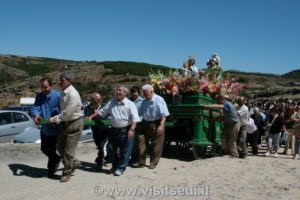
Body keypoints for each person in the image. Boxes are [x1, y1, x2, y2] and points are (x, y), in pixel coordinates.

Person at [87, 85, 140, 176]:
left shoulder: (130, 104)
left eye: (120, 90)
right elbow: (101, 112)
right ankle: (115, 165)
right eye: (117, 90)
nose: (117, 92)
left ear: (125, 93)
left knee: (125, 151)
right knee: (110, 149)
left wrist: (131, 129)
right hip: (113, 129)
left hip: (126, 129)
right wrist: (92, 116)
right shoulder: (112, 102)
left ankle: (120, 168)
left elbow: (135, 119)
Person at [49, 72, 83, 182]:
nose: (59, 81)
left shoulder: (73, 94)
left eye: (62, 80)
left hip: (74, 123)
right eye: (60, 79)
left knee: (68, 151)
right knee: (59, 147)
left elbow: (68, 113)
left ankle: (67, 172)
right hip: (65, 123)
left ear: (69, 81)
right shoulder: (63, 92)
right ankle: (75, 163)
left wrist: (54, 119)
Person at [31, 77, 61, 178]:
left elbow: (62, 111)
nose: (43, 89)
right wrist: (36, 115)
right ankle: (57, 159)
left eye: (45, 87)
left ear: (51, 86)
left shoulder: (57, 96)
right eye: (42, 87)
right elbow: (36, 108)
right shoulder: (39, 96)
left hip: (54, 128)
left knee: (51, 150)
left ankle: (51, 171)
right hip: (44, 128)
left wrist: (55, 120)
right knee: (44, 149)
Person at [138, 84, 170, 169]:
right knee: (141, 141)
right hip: (144, 123)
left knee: (157, 145)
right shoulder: (144, 101)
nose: (144, 96)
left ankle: (153, 163)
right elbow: (139, 112)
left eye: (146, 94)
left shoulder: (159, 100)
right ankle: (141, 162)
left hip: (156, 123)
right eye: (144, 94)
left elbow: (164, 114)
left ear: (152, 91)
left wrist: (161, 125)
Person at [84, 93, 110, 170]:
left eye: (100, 99)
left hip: (106, 131)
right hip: (95, 132)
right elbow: (87, 121)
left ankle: (100, 162)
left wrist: (105, 122)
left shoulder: (105, 106)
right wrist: (101, 122)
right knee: (100, 147)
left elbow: (110, 119)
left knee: (102, 147)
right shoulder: (88, 109)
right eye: (98, 99)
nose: (100, 100)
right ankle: (100, 159)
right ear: (92, 100)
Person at [129, 86, 143, 165]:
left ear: (138, 93)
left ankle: (137, 159)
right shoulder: (128, 101)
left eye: (136, 92)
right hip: (129, 123)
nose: (134, 94)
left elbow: (142, 112)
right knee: (130, 142)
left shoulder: (142, 101)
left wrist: (136, 118)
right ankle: (133, 158)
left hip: (138, 124)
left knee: (137, 142)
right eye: (133, 92)